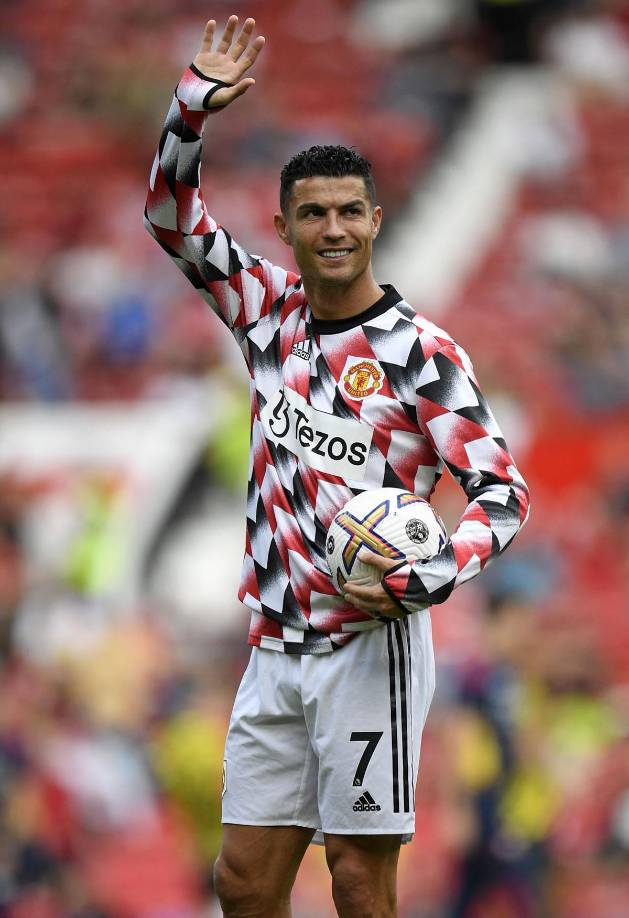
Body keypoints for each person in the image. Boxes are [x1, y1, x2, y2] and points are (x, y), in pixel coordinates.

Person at [144, 14, 530, 918]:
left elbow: (501, 493)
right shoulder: (265, 313)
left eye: (349, 211)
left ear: (375, 221)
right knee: (242, 882)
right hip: (272, 643)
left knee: (356, 880)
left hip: (366, 646)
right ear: (282, 225)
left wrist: (429, 574)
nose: (333, 228)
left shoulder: (420, 354)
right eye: (313, 213)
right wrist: (190, 107)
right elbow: (169, 216)